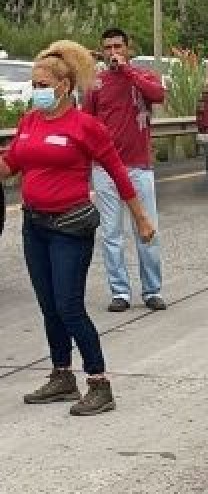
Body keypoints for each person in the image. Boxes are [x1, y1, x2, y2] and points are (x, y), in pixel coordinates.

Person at [0, 40, 157, 416]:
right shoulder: (30, 121)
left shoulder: (85, 125)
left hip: (69, 226)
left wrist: (140, 217)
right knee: (48, 306)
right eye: (32, 85)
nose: (35, 91)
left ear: (65, 86)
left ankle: (100, 384)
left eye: (42, 85)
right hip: (34, 224)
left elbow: (118, 172)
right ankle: (61, 376)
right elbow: (11, 164)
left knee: (69, 306)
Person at [82, 27, 167, 313]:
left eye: (118, 46)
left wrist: (127, 71)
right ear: (102, 50)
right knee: (111, 234)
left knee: (146, 230)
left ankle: (152, 290)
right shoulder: (96, 83)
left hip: (138, 166)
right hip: (105, 169)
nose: (113, 52)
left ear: (128, 49)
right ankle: (120, 292)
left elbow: (158, 95)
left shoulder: (143, 76)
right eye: (108, 48)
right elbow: (87, 123)